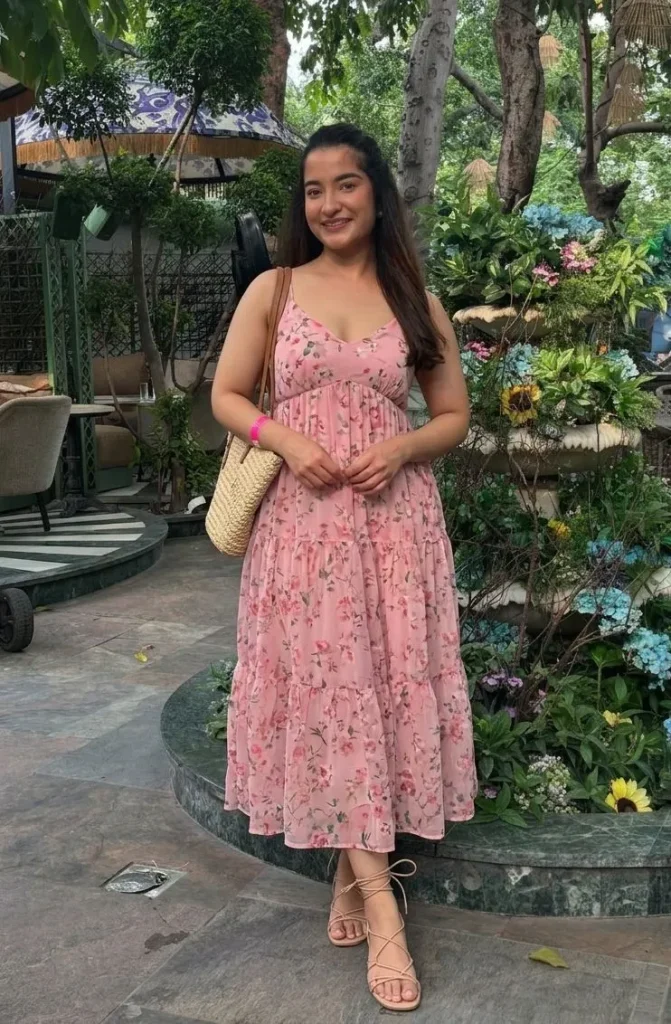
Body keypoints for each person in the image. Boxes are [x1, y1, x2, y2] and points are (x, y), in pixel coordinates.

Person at [211, 123, 476, 1013]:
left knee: (380, 689)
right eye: (313, 189)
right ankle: (384, 908)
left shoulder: (414, 299)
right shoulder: (274, 289)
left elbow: (452, 416)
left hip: (395, 530)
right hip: (301, 532)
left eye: (345, 184)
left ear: (376, 193)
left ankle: (351, 873)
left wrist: (400, 448)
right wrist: (284, 438)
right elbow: (226, 395)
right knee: (332, 691)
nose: (328, 203)